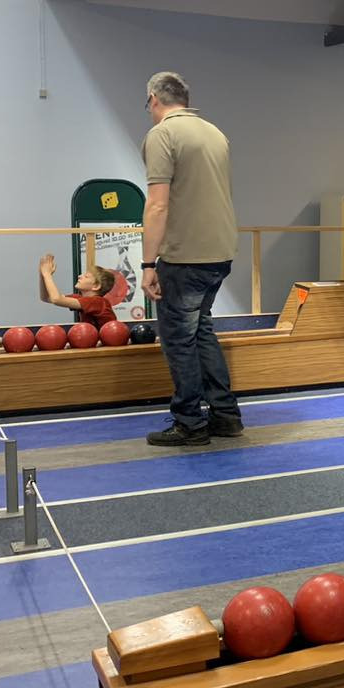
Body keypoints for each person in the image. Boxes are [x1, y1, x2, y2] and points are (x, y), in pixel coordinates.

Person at [139, 71, 244, 447]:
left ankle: (189, 423)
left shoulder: (162, 134)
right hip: (220, 252)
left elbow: (158, 204)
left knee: (179, 339)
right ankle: (225, 416)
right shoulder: (215, 133)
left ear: (154, 99)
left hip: (185, 255)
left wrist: (147, 264)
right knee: (201, 332)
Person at [37, 255, 119, 328]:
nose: (79, 276)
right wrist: (42, 275)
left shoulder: (98, 302)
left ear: (96, 286)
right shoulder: (80, 299)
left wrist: (47, 274)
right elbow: (46, 298)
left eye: (86, 276)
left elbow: (56, 299)